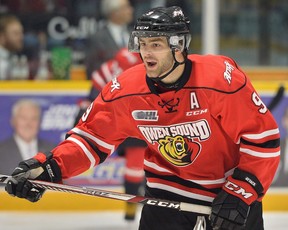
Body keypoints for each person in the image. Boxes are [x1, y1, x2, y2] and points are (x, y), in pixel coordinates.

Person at [5, 6, 280, 230]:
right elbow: (90, 140)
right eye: (143, 44)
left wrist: (242, 191)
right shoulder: (126, 89)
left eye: (156, 45)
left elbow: (262, 140)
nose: (146, 53)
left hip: (229, 200)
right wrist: (50, 167)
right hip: (165, 200)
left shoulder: (219, 79)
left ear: (179, 46)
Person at [75, 47, 147, 221]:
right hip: (133, 118)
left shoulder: (109, 66)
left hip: (116, 117)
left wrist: (82, 115)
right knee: (136, 164)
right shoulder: (146, 65)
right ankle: (132, 205)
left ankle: (131, 206)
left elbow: (92, 94)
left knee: (137, 164)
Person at [0, 99, 56, 174]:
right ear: (13, 121)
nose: (28, 124)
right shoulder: (1, 151)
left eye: (34, 119)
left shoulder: (52, 151)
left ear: (40, 122)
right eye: (23, 118)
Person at [85, 0, 134, 78]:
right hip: (109, 86)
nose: (131, 10)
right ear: (114, 12)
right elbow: (92, 69)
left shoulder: (135, 34)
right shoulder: (98, 38)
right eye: (126, 7)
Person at [0, 14, 24, 80]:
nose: (21, 37)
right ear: (1, 36)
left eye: (21, 33)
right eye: (16, 33)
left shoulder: (12, 57)